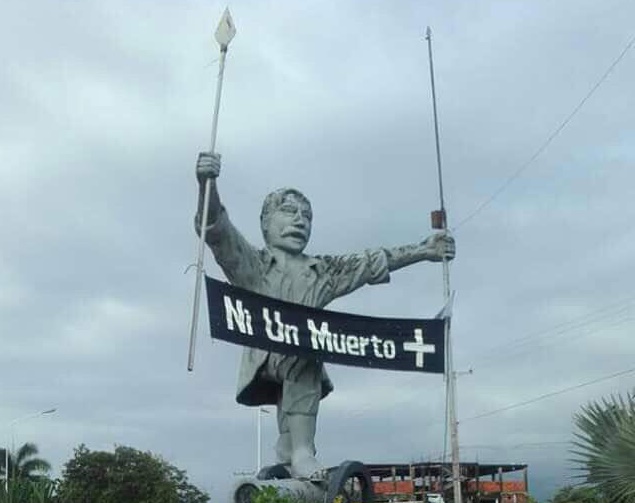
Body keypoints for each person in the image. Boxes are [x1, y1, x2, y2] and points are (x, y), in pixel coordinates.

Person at [195, 152, 455, 479]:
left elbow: (370, 262)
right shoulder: (254, 265)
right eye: (289, 212)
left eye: (307, 216)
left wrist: (423, 250)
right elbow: (218, 231)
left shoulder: (323, 271)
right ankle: (300, 449)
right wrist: (207, 184)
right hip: (266, 357)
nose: (299, 220)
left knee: (306, 350)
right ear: (265, 223)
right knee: (302, 348)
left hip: (306, 360)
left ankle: (293, 447)